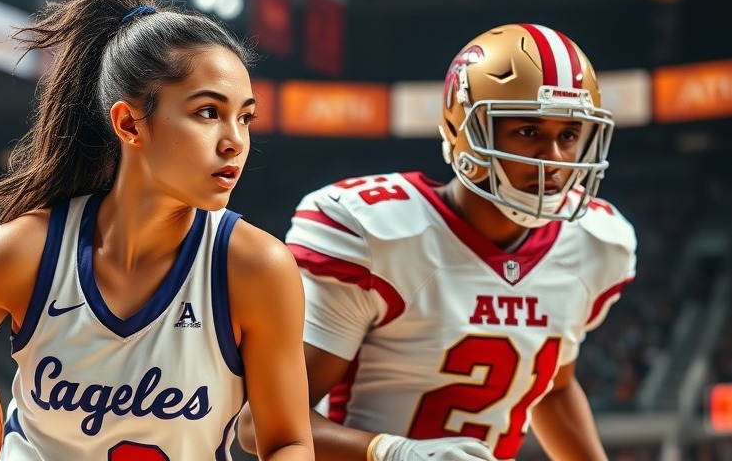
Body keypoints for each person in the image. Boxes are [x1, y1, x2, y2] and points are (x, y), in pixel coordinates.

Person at [0, 0, 314, 461]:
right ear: (129, 123)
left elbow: (287, 442)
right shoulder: (25, 251)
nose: (235, 141)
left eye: (245, 117)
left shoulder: (256, 269)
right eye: (208, 112)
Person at [238, 23, 636, 461]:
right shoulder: (377, 233)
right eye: (528, 131)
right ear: (465, 128)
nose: (554, 159)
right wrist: (395, 453)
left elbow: (553, 389)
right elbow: (261, 424)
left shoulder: (596, 241)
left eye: (569, 135)